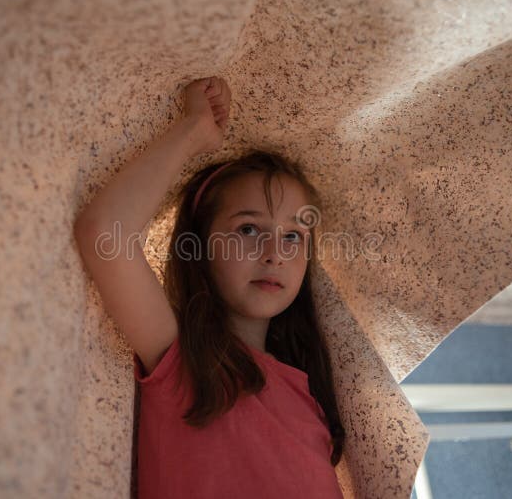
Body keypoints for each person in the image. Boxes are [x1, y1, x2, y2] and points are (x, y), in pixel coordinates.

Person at [73, 76, 345, 498]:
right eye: (249, 228)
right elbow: (104, 231)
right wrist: (194, 131)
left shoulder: (314, 397)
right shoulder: (181, 360)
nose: (275, 253)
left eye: (293, 236)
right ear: (197, 247)